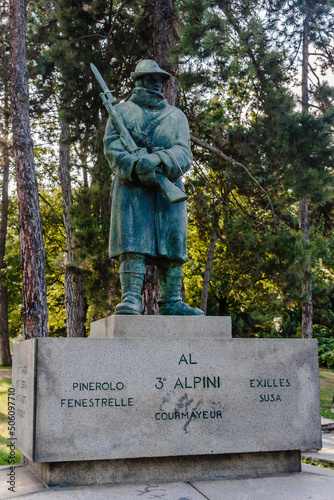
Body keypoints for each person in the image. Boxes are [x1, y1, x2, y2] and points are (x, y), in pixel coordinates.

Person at [104, 59, 203, 316]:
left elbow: (184, 152)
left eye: (160, 79)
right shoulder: (122, 112)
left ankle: (172, 301)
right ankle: (131, 299)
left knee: (173, 244)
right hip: (131, 188)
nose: (157, 83)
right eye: (151, 78)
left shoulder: (176, 116)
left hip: (167, 184)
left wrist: (159, 160)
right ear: (138, 81)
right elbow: (113, 148)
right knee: (132, 242)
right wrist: (137, 167)